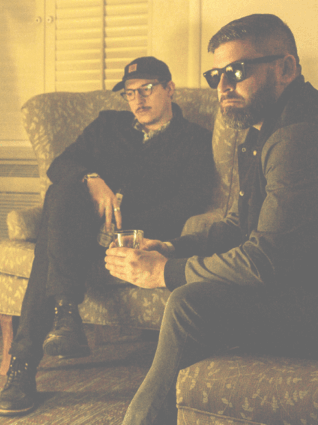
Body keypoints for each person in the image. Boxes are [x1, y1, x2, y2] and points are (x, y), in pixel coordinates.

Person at [105, 14, 318, 425]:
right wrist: (172, 247)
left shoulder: (298, 135)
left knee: (190, 305)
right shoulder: (259, 129)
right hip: (297, 283)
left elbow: (265, 260)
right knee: (192, 298)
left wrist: (165, 271)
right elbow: (238, 225)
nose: (223, 86)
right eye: (215, 75)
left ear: (286, 68)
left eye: (237, 71)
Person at [0, 56, 216, 417]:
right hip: (81, 231)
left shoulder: (195, 139)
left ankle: (28, 359)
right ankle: (64, 313)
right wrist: (92, 179)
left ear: (169, 89)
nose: (138, 100)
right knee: (62, 191)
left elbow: (188, 203)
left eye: (147, 89)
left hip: (135, 239)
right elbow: (60, 165)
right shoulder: (107, 125)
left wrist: (124, 221)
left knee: (49, 248)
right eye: (130, 93)